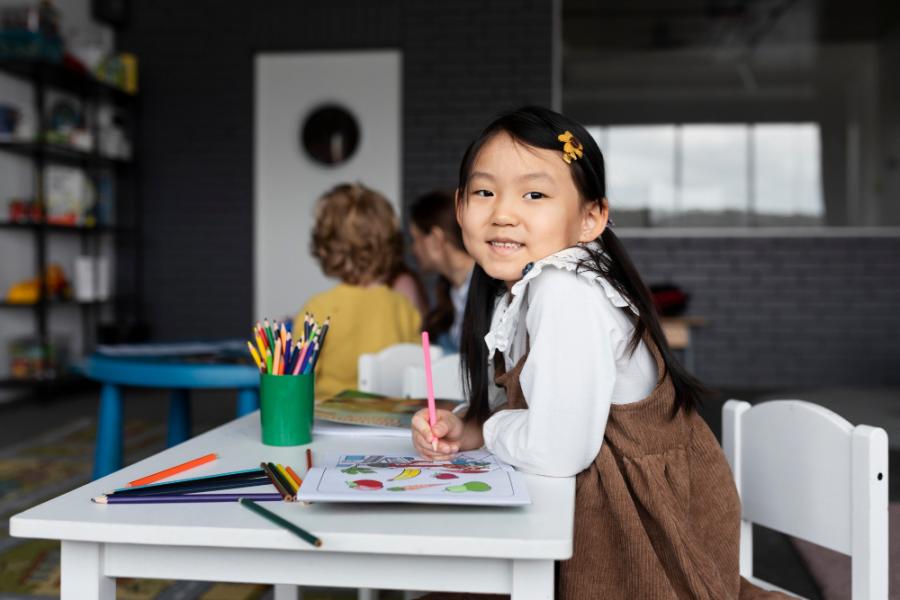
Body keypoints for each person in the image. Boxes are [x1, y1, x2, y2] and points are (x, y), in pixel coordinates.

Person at [411, 107, 789, 599]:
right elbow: (543, 415)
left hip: (645, 551)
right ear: (460, 207)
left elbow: (556, 449)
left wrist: (495, 428)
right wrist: (471, 426)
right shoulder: (530, 288)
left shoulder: (564, 290)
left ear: (591, 218)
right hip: (591, 529)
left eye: (534, 194)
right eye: (485, 192)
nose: (503, 212)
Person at [298, 183, 421, 399]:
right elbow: (417, 369)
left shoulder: (317, 309)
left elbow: (297, 380)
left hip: (329, 420)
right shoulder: (403, 307)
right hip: (389, 420)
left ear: (326, 248)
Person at [408, 189, 475, 352]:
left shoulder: (491, 291)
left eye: (416, 239)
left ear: (436, 238)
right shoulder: (452, 293)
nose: (413, 249)